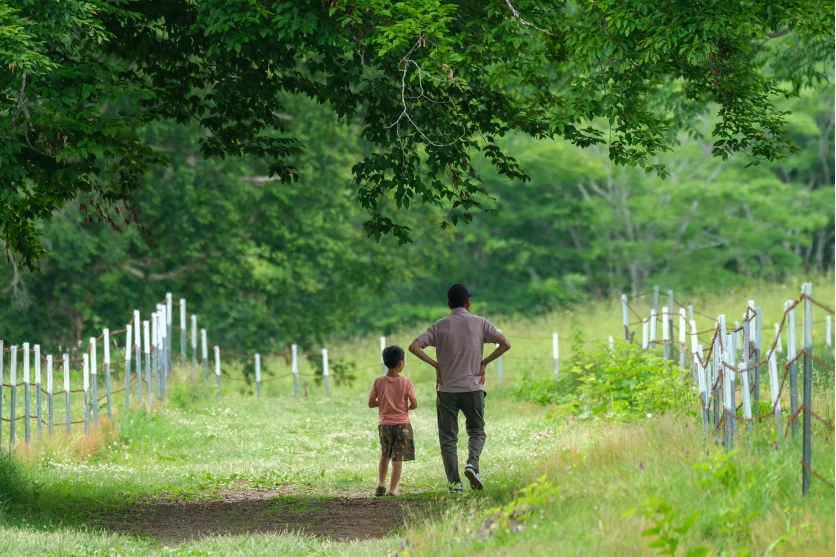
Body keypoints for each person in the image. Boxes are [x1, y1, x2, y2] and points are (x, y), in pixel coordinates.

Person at [409, 284, 511, 493]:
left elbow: (414, 347)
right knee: (476, 431)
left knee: (448, 439)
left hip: (446, 390)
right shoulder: (480, 323)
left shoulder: (439, 326)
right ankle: (472, 464)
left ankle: (454, 483)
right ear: (468, 303)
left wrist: (436, 364)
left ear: (448, 304)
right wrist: (484, 362)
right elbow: (505, 344)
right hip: (473, 388)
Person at [368, 345, 417, 497]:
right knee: (398, 458)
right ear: (401, 364)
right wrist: (404, 407)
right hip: (402, 424)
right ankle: (392, 489)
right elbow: (414, 404)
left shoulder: (378, 382)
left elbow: (371, 403)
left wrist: (382, 403)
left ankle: (381, 485)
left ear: (385, 362)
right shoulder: (406, 382)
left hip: (384, 425)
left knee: (385, 454)